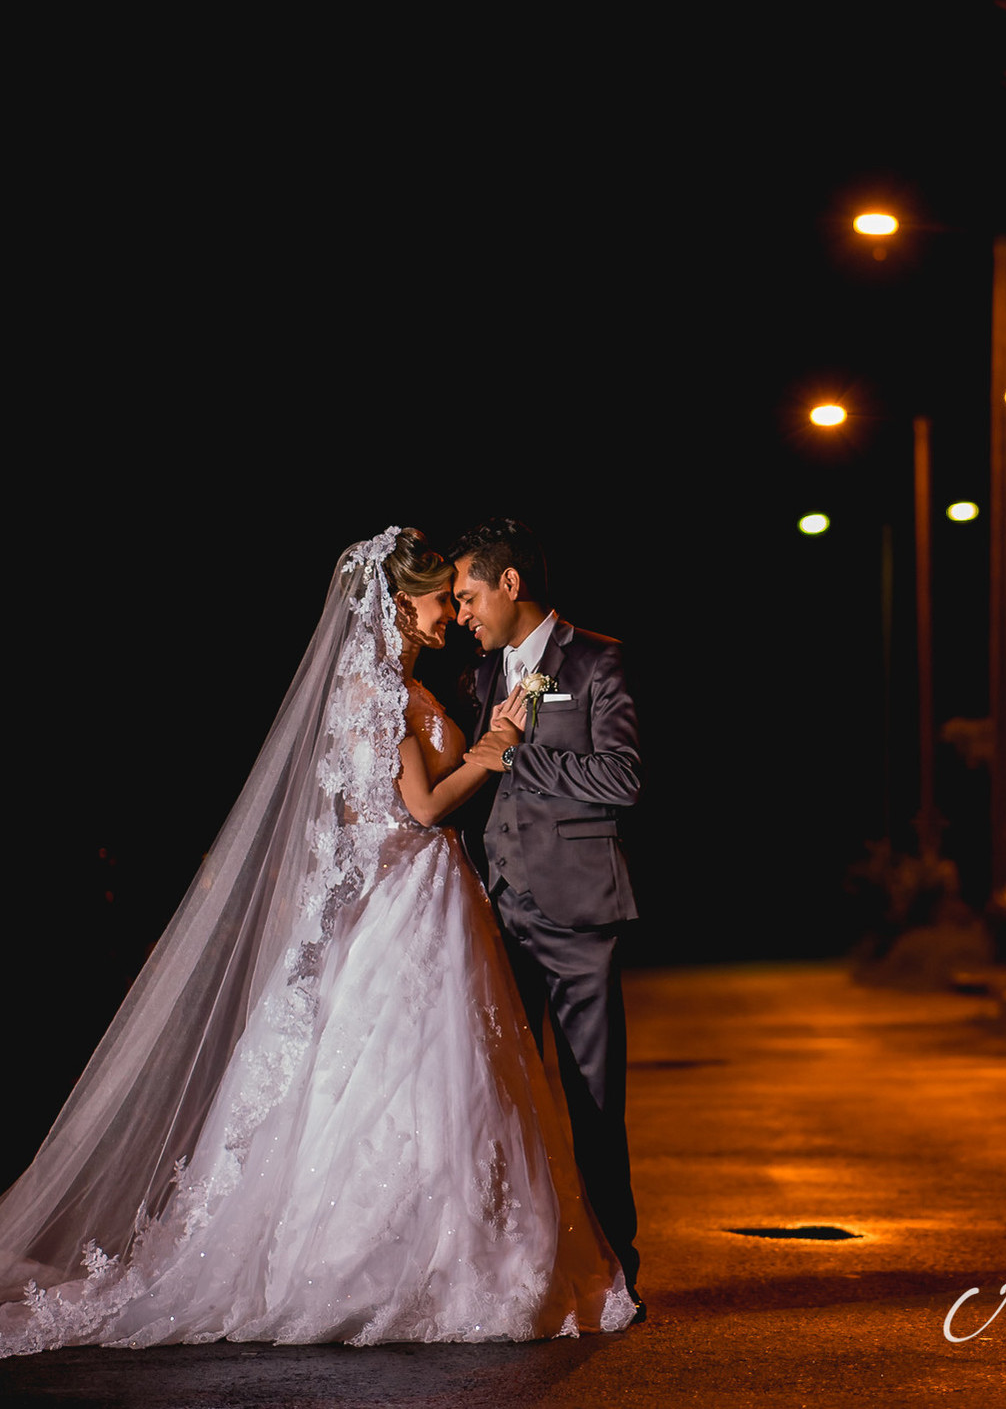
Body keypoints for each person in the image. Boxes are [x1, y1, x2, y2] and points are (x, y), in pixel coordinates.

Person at [0, 528, 636, 1355]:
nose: (456, 612)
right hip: (419, 901)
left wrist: (497, 758)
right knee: (420, 1083)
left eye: (461, 595)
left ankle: (511, 1251)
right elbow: (418, 809)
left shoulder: (448, 680)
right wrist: (497, 749)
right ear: (399, 602)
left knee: (490, 1089)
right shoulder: (383, 691)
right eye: (444, 596)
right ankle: (403, 1262)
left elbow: (591, 777)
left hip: (471, 901)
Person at [450, 518, 643, 1316]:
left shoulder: (597, 659)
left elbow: (623, 776)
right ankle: (520, 1280)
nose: (463, 613)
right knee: (504, 1104)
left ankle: (619, 1275)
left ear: (511, 585)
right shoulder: (476, 676)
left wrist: (517, 753)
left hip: (575, 914)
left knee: (593, 1104)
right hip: (494, 913)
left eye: (469, 596)